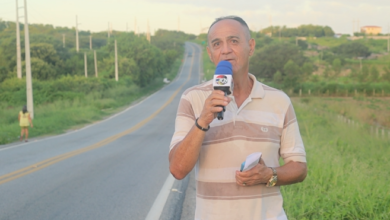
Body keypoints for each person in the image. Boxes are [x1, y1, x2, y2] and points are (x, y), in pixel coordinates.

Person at [169, 16, 307, 219]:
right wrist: (203, 120)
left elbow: (299, 168)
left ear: (250, 47)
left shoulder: (279, 101)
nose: (225, 50)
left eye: (234, 41)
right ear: (210, 53)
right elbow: (178, 169)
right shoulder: (193, 98)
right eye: (217, 44)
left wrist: (269, 174)